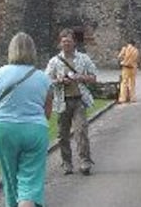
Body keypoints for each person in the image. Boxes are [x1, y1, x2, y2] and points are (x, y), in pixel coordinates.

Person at [0, 32, 54, 207]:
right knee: (30, 180)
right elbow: (47, 112)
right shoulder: (43, 78)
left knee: (9, 178)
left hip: (3, 128)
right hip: (34, 129)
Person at [45, 29, 98, 175]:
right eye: (63, 41)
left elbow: (94, 77)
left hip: (79, 100)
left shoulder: (83, 59)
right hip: (62, 101)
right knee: (63, 135)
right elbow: (46, 81)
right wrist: (60, 80)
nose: (66, 44)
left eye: (69, 41)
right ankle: (67, 163)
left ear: (74, 42)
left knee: (81, 131)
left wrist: (81, 77)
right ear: (60, 43)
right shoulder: (54, 61)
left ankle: (85, 161)